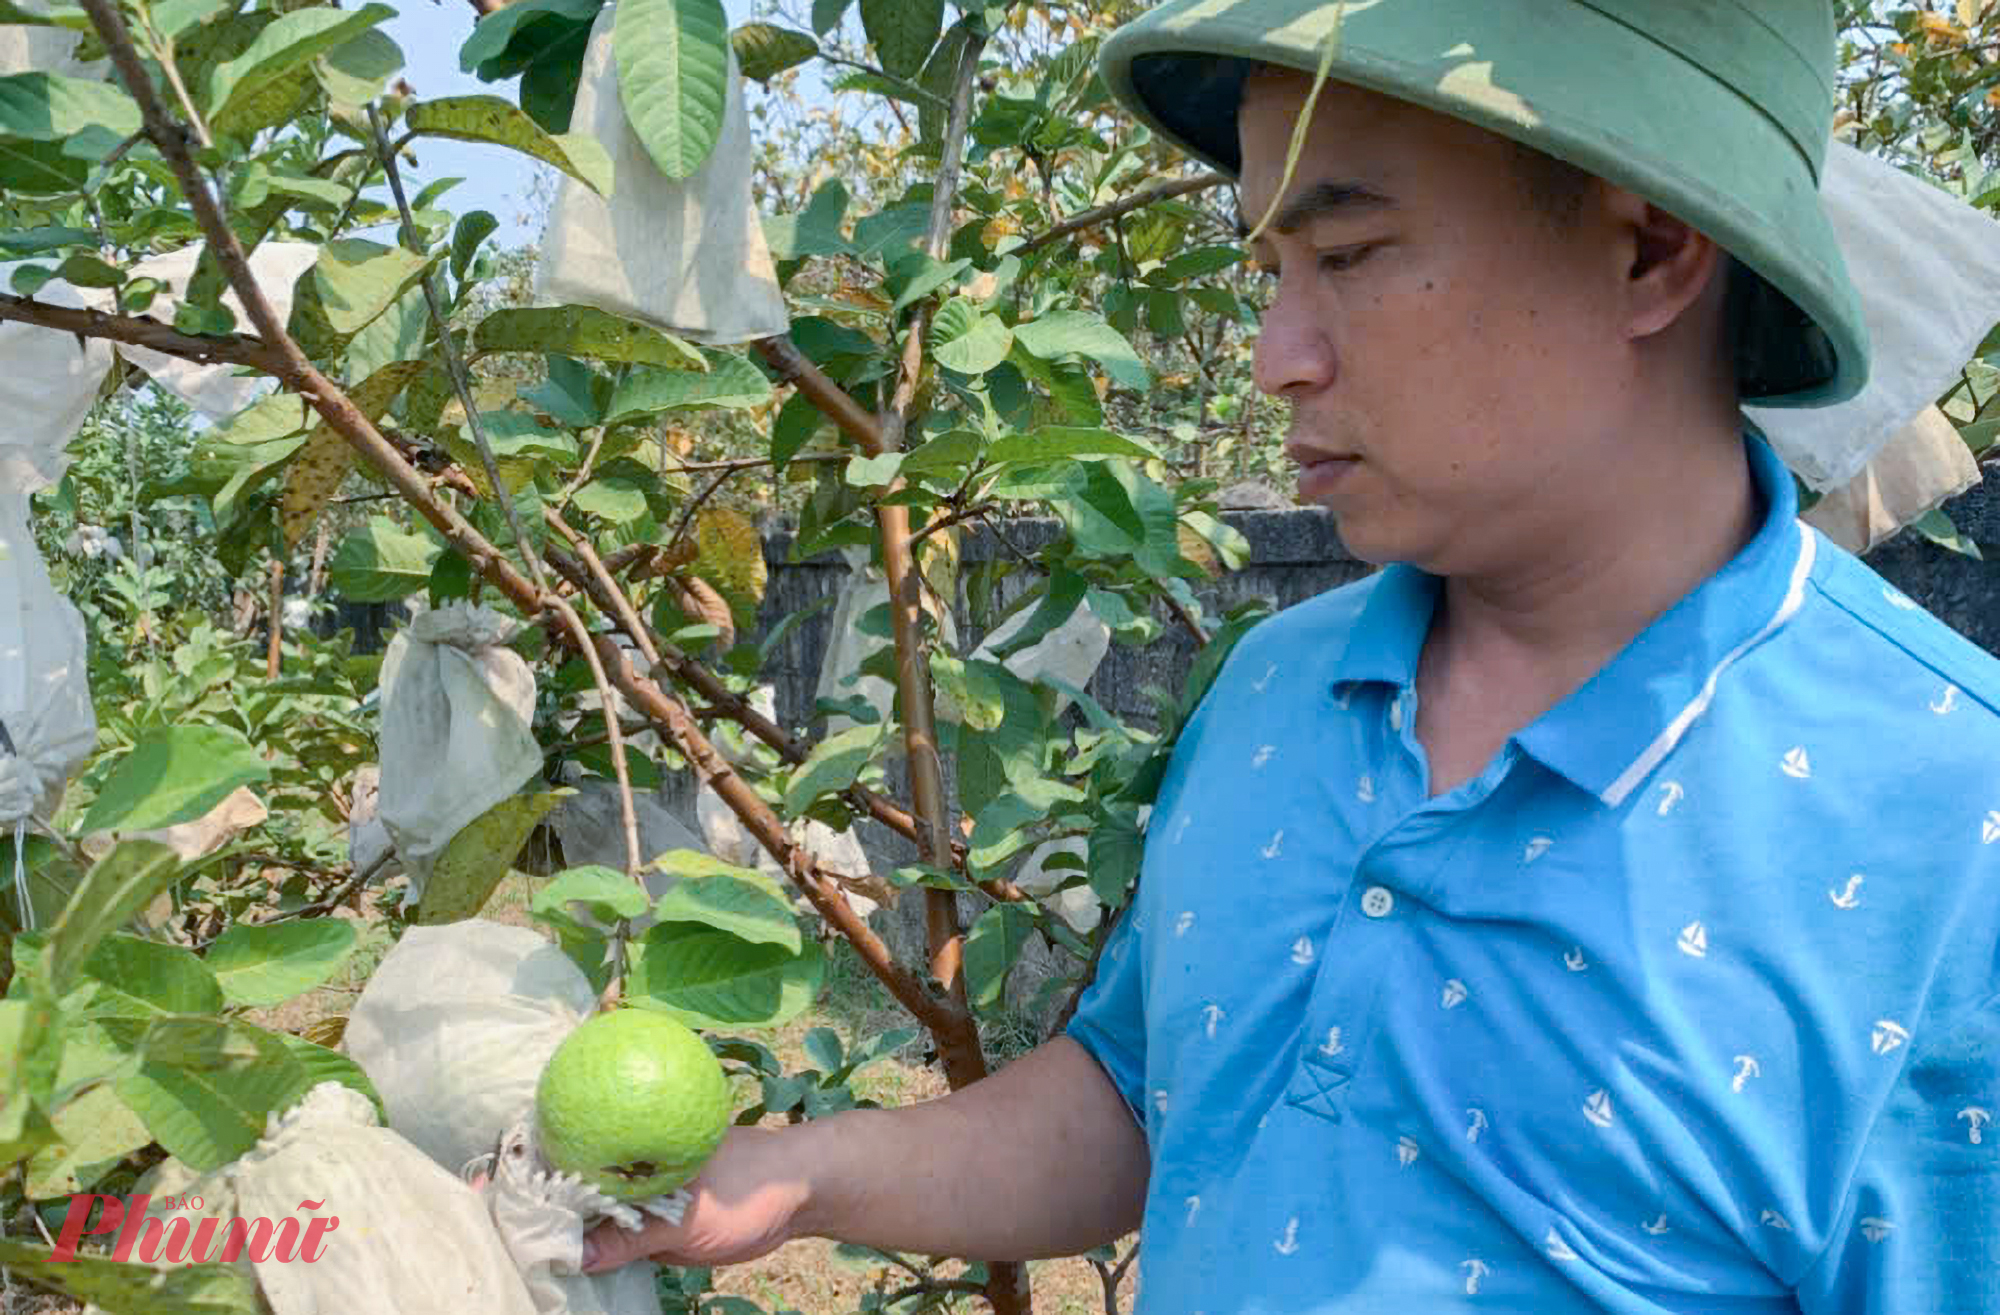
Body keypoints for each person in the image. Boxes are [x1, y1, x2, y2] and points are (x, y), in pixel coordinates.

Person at [583, 1, 2000, 1309]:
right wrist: (809, 1174)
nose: (1277, 356)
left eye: (1349, 255)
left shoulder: (1948, 839)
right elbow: (1147, 1093)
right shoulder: (1279, 685)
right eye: (1269, 265)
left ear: (1649, 251)